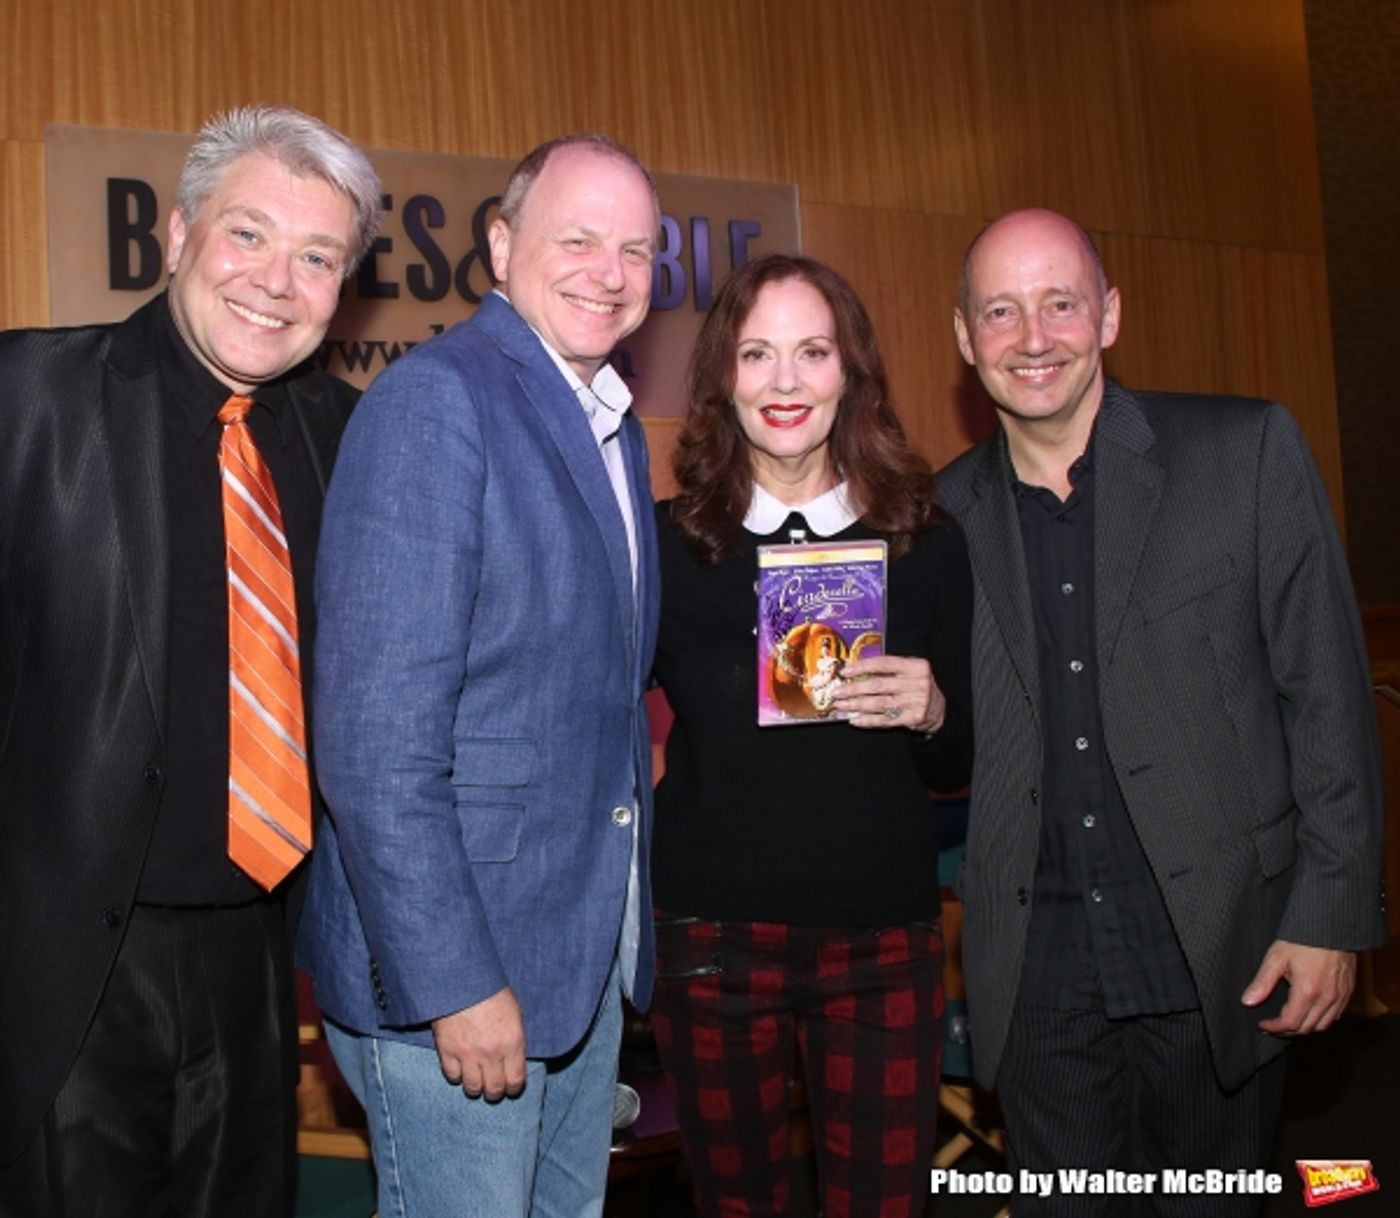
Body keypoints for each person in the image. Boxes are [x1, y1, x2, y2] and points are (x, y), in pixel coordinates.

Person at [938, 207, 1386, 1214]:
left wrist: (1329, 913)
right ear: (965, 342)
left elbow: (1325, 693)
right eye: (999, 311)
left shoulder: (1243, 450)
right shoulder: (934, 520)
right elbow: (941, 742)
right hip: (1037, 964)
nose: (1032, 335)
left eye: (1058, 302)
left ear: (1106, 314)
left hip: (1220, 944)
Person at [0, 105, 383, 1216]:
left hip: (259, 965)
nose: (276, 279)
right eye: (248, 234)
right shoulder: (27, 399)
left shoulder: (347, 441)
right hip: (60, 978)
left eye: (317, 256)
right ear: (177, 237)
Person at [297, 134, 661, 1218]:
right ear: (501, 245)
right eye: (579, 239)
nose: (610, 271)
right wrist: (455, 980)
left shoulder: (610, 423)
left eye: (636, 249)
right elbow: (371, 745)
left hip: (575, 958)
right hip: (460, 978)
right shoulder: (436, 403)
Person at [648, 253, 973, 1218]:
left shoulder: (924, 539)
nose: (785, 381)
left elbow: (959, 769)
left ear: (851, 373)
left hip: (882, 938)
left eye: (812, 351)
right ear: (722, 380)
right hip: (709, 937)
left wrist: (934, 708)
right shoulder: (668, 546)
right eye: (757, 354)